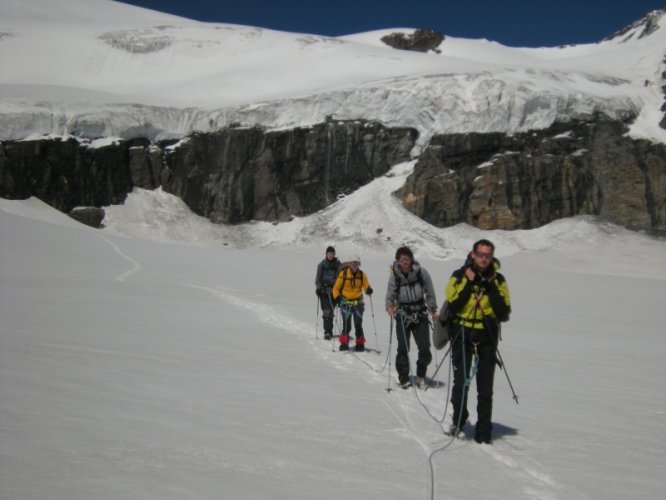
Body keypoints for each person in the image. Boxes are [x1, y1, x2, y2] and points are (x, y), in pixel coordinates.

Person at [445, 239, 511, 444]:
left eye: (487, 255)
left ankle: (483, 433)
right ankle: (459, 419)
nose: (483, 258)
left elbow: (504, 312)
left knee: (485, 387)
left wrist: (489, 286)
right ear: (472, 254)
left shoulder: (498, 280)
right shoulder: (458, 276)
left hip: (487, 336)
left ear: (491, 257)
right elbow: (453, 305)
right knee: (460, 383)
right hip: (462, 333)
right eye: (480, 254)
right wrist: (470, 283)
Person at [385, 246, 438, 389]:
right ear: (398, 260)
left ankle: (421, 374)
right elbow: (390, 293)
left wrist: (432, 308)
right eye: (401, 259)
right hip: (403, 314)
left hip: (420, 314)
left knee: (425, 348)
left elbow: (430, 290)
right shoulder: (395, 276)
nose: (404, 261)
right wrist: (389, 305)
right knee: (403, 348)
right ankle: (403, 377)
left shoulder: (421, 273)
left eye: (407, 258)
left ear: (411, 259)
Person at [331, 255, 373, 351]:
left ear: (359, 264)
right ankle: (344, 343)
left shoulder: (362, 275)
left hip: (358, 303)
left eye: (356, 263)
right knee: (347, 324)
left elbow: (366, 286)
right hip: (345, 302)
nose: (354, 265)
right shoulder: (343, 273)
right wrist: (336, 296)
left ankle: (360, 343)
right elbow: (336, 288)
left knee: (358, 324)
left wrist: (368, 290)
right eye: (353, 263)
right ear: (349, 264)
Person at [315, 246, 341, 340]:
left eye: (332, 254)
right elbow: (318, 279)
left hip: (334, 291)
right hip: (324, 292)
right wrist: (318, 288)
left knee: (331, 311)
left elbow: (341, 277)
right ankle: (327, 332)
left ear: (334, 255)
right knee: (326, 312)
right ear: (326, 254)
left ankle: (329, 330)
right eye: (329, 254)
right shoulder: (321, 265)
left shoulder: (337, 265)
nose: (330, 256)